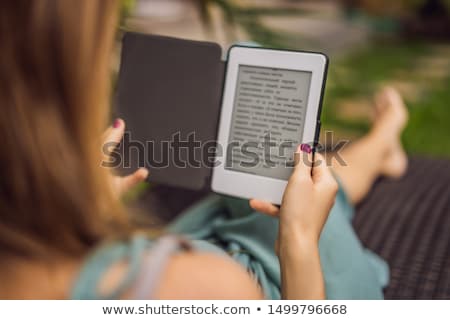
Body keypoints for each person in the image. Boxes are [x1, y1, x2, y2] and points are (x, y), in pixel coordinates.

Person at [0, 1, 408, 299]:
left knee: (288, 179)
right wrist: (298, 240)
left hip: (208, 239)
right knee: (298, 180)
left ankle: (383, 143)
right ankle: (386, 137)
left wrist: (87, 212)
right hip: (295, 280)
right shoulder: (202, 286)